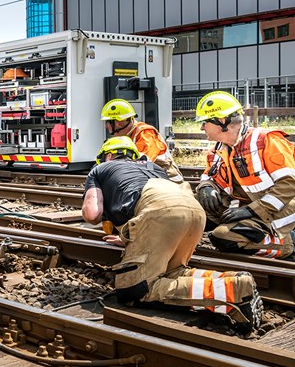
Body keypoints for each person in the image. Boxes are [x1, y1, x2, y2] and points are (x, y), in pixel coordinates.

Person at [83, 136, 262, 333]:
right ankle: (233, 280)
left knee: (136, 289)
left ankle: (230, 292)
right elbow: (160, 203)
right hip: (194, 211)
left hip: (161, 214)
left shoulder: (100, 169)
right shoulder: (153, 167)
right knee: (172, 271)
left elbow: (92, 214)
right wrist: (131, 236)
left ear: (108, 155)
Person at [194, 90, 295, 259]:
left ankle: (288, 243)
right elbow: (209, 176)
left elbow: (290, 184)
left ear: (221, 121)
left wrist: (251, 210)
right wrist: (206, 187)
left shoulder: (265, 141)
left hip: (281, 209)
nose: (202, 127)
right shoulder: (220, 148)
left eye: (205, 122)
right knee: (193, 207)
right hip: (246, 206)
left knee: (224, 237)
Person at [100, 98, 185, 184]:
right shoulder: (128, 136)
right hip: (152, 179)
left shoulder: (146, 134)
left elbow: (142, 164)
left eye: (107, 122)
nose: (106, 127)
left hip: (169, 182)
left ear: (118, 122)